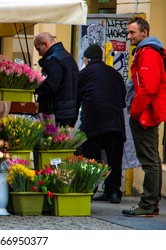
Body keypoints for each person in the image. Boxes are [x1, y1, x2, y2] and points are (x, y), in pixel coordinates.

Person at [122, 17, 166, 216]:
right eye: (128, 32)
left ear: (144, 33)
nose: (129, 36)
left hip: (145, 114)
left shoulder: (148, 54)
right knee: (153, 160)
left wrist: (135, 111)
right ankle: (152, 203)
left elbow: (148, 88)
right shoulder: (147, 52)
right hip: (148, 112)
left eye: (132, 32)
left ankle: (147, 204)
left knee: (149, 161)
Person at [76, 44, 126, 203]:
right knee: (114, 159)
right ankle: (114, 192)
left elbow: (76, 99)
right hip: (115, 122)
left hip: (94, 121)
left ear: (87, 59)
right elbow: (122, 100)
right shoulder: (115, 74)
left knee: (91, 157)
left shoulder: (83, 74)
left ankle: (89, 189)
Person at [33, 32, 79, 127]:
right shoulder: (69, 57)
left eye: (38, 49)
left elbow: (49, 87)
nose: (39, 53)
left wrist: (34, 87)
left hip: (55, 113)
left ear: (45, 44)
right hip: (69, 112)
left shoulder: (52, 60)